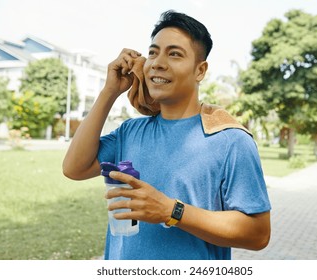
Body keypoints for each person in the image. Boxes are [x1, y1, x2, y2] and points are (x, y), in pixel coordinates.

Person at [63, 10, 271, 260]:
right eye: (153, 52)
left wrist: (171, 211)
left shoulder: (231, 141)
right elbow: (74, 168)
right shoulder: (130, 132)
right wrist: (109, 91)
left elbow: (258, 234)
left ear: (200, 71)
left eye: (174, 54)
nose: (158, 62)